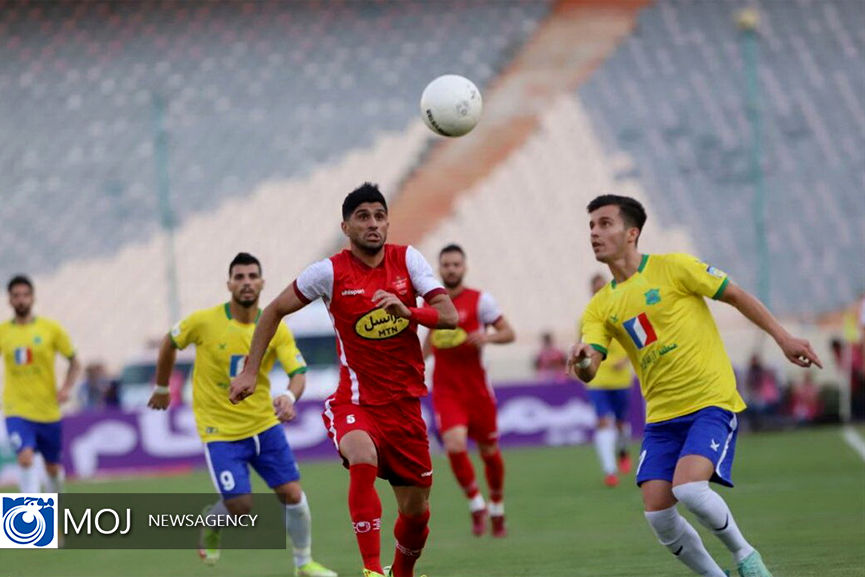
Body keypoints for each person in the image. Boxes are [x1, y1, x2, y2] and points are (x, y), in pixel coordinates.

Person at [569, 195, 821, 577]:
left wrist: (783, 338)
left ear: (632, 232)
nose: (594, 233)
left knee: (689, 489)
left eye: (604, 223)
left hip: (710, 401)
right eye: (591, 226)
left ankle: (746, 558)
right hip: (661, 417)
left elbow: (735, 294)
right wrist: (583, 361)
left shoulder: (675, 267)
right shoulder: (599, 306)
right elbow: (591, 366)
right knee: (658, 516)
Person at [229, 183, 458, 577]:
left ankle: (400, 573)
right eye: (363, 217)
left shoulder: (409, 261)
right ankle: (371, 569)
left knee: (416, 513)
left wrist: (409, 312)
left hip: (404, 407)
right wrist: (250, 370)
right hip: (355, 401)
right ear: (346, 226)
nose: (373, 224)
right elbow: (273, 311)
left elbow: (449, 315)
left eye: (380, 216)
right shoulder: (329, 272)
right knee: (362, 457)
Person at [147, 253, 336, 577]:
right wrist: (163, 386)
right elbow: (170, 341)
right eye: (240, 277)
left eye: (252, 276)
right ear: (229, 284)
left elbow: (298, 372)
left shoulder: (276, 327)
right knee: (241, 506)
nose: (246, 282)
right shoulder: (204, 322)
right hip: (220, 430)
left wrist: (290, 396)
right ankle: (212, 522)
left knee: (293, 494)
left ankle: (303, 563)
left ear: (262, 283)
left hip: (264, 425)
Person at [421, 244, 515, 537]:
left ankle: (497, 507)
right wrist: (414, 364)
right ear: (439, 268)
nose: (451, 269)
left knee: (489, 451)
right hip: (447, 391)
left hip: (477, 391)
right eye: (446, 265)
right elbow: (428, 341)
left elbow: (508, 333)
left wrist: (485, 337)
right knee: (454, 445)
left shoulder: (480, 301)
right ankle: (476, 505)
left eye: (455, 265)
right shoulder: (431, 304)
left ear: (464, 268)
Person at [0, 275, 81, 494]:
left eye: (25, 295)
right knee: (25, 459)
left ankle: (59, 510)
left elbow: (74, 362)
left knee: (52, 468)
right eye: (16, 296)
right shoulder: (3, 332)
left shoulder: (50, 329)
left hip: (47, 410)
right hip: (16, 409)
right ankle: (32, 519)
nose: (21, 300)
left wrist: (66, 388)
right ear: (9, 300)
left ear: (33, 298)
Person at [582, 273, 634, 488]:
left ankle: (622, 451)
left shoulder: (625, 311)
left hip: (620, 379)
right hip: (598, 379)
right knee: (603, 422)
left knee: (621, 424)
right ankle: (610, 471)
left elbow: (637, 341)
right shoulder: (587, 316)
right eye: (596, 288)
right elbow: (583, 345)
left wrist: (627, 358)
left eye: (603, 287)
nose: (599, 291)